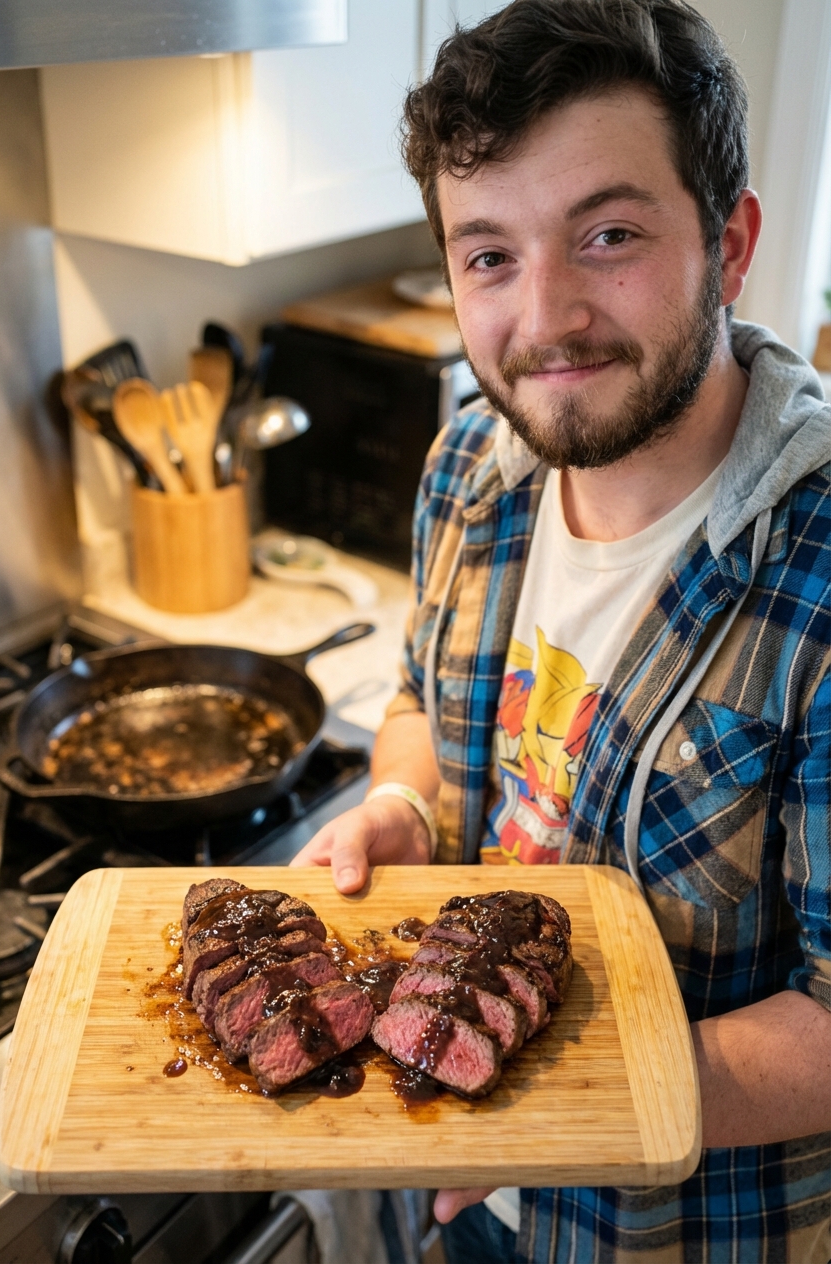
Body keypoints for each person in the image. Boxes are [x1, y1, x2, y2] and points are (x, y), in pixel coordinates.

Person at [292, 1, 831, 1260]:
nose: (545, 318)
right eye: (488, 255)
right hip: (466, 1197)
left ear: (729, 242)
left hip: (674, 1227)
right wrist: (404, 809)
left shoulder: (814, 575)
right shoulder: (472, 461)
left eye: (607, 234)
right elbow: (424, 702)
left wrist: (527, 1101)